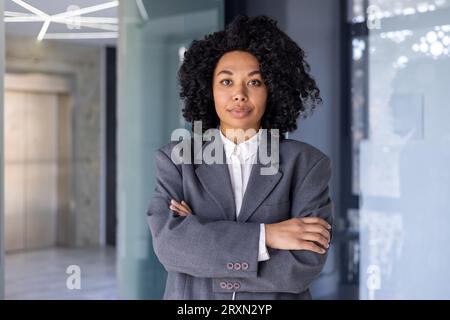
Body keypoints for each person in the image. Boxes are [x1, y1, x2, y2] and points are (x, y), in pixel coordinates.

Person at [147, 15, 333, 300]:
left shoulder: (307, 165)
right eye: (226, 81)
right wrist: (268, 235)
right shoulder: (176, 160)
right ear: (209, 89)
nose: (239, 94)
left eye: (255, 82)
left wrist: (203, 245)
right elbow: (171, 248)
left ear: (272, 90)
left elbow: (301, 268)